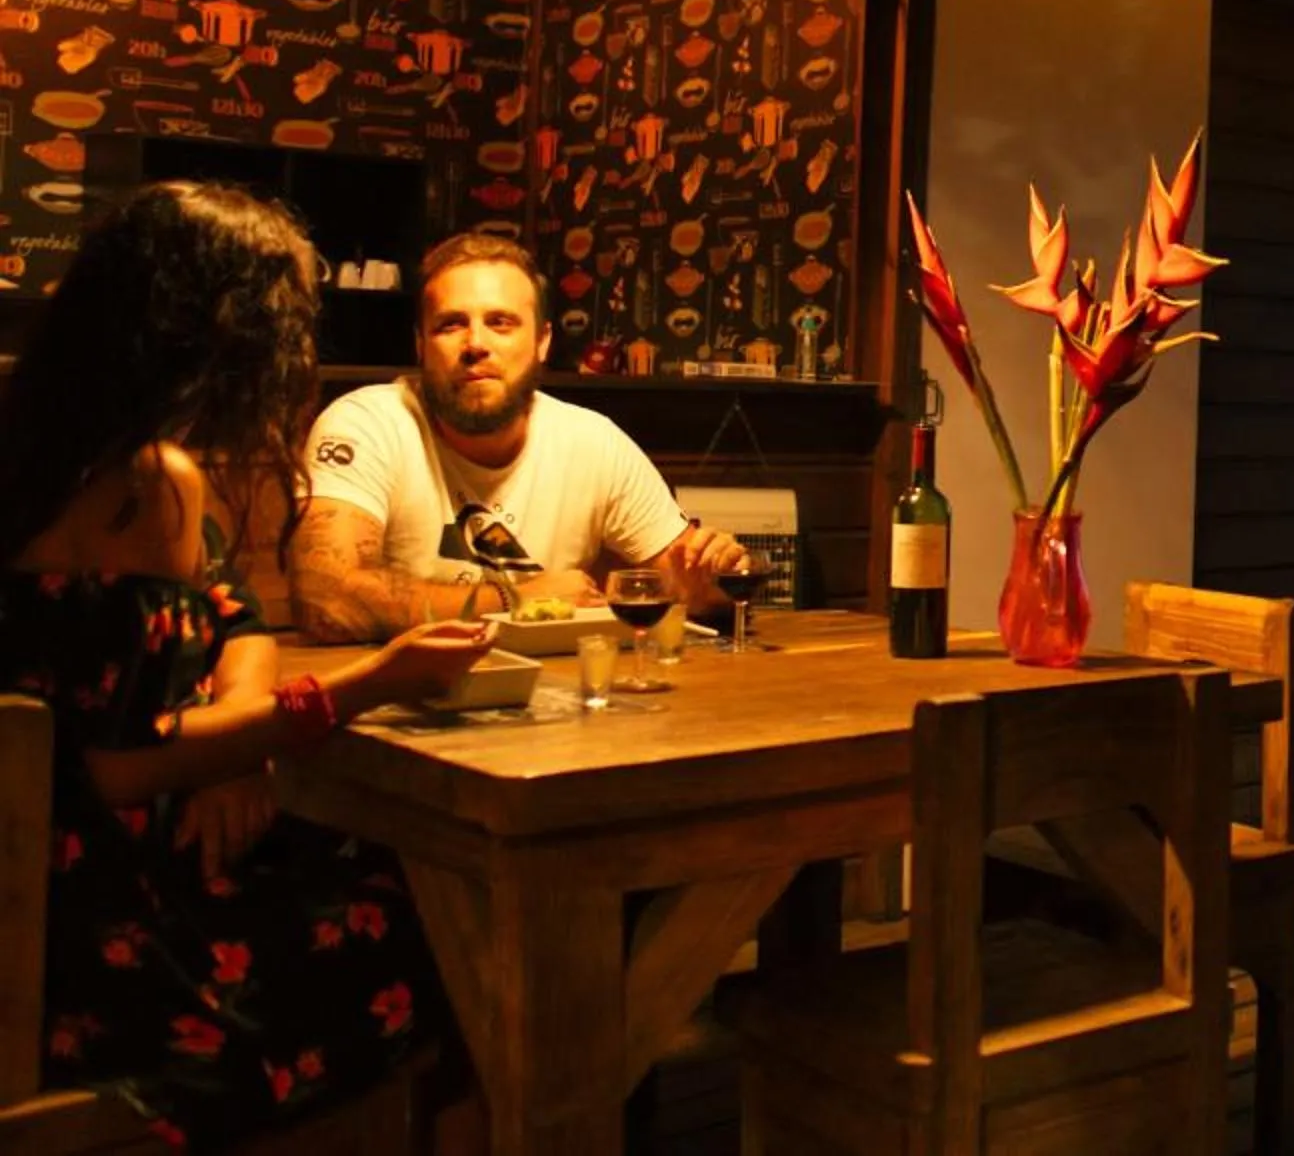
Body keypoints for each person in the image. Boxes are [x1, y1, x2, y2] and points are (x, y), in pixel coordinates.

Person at [0, 182, 496, 1145]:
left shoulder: (48, 443)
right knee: (455, 918)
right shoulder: (148, 484)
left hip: (57, 887)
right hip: (97, 944)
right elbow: (129, 763)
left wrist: (237, 745)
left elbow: (238, 617)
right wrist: (368, 685)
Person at [289, 233, 745, 640]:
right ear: (421, 345)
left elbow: (687, 584)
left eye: (501, 322)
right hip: (402, 697)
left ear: (542, 342)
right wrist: (516, 598)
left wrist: (714, 582)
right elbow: (325, 600)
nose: (475, 344)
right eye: (451, 324)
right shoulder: (368, 425)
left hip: (555, 697)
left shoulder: (592, 442)